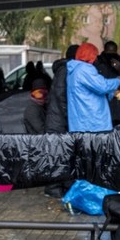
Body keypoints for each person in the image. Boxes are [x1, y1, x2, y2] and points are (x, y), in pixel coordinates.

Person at [43, 44, 78, 198]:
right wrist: (70, 114)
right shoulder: (65, 71)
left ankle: (61, 185)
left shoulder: (66, 70)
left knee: (62, 154)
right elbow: (61, 96)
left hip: (58, 119)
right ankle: (53, 187)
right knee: (57, 154)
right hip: (58, 121)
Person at [66, 42, 120, 132]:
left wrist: (111, 93)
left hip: (80, 121)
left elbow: (89, 91)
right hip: (92, 123)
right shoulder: (84, 69)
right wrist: (118, 80)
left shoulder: (74, 70)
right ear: (90, 56)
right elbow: (103, 86)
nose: (96, 58)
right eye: (95, 55)